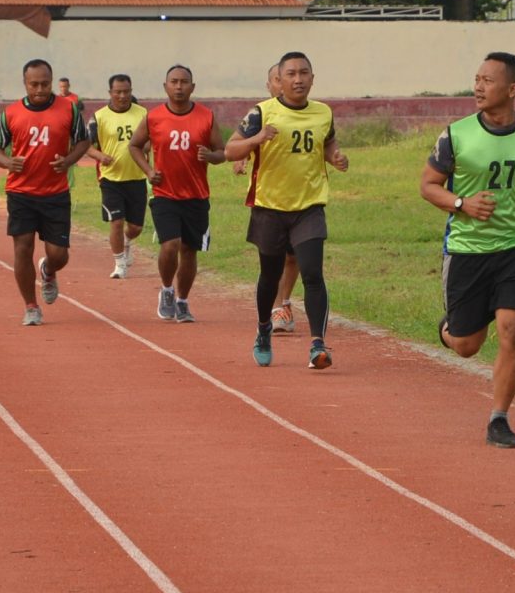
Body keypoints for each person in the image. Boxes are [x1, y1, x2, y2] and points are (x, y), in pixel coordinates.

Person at [420, 52, 515, 449]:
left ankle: (499, 418)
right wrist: (462, 204)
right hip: (468, 247)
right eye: (477, 79)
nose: (478, 87)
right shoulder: (456, 134)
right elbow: (428, 186)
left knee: (512, 329)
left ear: (512, 89)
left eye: (488, 81)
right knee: (467, 346)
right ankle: (449, 329)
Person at [225, 51, 349, 369]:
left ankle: (318, 345)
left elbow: (327, 143)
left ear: (312, 78)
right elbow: (230, 150)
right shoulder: (261, 113)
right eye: (291, 74)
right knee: (270, 276)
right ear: (279, 80)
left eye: (303, 73)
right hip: (270, 207)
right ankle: (264, 329)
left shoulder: (323, 112)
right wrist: (257, 138)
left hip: (309, 205)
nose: (298, 79)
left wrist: (335, 156)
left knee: (313, 273)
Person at [0, 59, 91, 326]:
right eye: (34, 84)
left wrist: (68, 160)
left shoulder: (68, 109)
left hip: (55, 193)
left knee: (59, 254)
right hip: (20, 192)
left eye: (45, 84)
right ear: (25, 83)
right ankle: (31, 307)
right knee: (22, 248)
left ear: (52, 81)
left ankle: (48, 269)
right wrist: (6, 162)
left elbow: (83, 141)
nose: (40, 89)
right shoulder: (11, 113)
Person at [128, 64, 226, 323]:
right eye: (174, 82)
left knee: (189, 250)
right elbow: (135, 146)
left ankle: (182, 301)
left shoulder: (206, 116)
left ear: (192, 87)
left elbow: (222, 152)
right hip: (165, 194)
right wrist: (149, 171)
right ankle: (166, 290)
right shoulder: (154, 117)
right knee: (170, 245)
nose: (179, 86)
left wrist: (211, 156)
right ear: (165, 86)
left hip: (196, 195)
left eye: (184, 82)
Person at [232, 63, 301, 334]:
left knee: (294, 257)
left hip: (301, 198)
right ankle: (276, 306)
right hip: (269, 199)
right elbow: (240, 144)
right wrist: (241, 159)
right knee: (274, 258)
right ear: (270, 84)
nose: (283, 84)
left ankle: (284, 302)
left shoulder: (305, 112)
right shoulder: (260, 113)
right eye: (277, 79)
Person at [87, 73, 148, 279]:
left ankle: (127, 241)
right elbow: (86, 146)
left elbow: (152, 140)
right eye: (118, 92)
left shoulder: (143, 114)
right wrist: (100, 156)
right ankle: (120, 264)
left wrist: (147, 147)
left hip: (137, 177)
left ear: (131, 91)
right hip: (110, 178)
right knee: (116, 221)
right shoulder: (99, 117)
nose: (122, 96)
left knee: (136, 227)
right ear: (110, 93)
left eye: (126, 92)